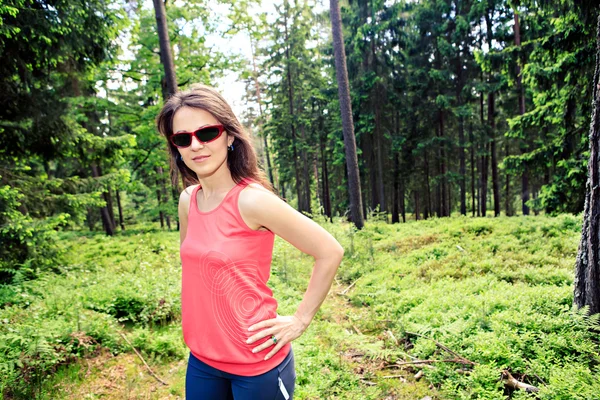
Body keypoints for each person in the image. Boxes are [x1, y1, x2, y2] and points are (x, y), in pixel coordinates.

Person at [156, 84, 344, 400]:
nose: (196, 145)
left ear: (229, 136)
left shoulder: (253, 201)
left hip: (257, 363)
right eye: (183, 138)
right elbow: (196, 269)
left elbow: (329, 251)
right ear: (176, 147)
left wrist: (300, 320)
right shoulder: (188, 200)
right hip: (202, 360)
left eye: (207, 133)